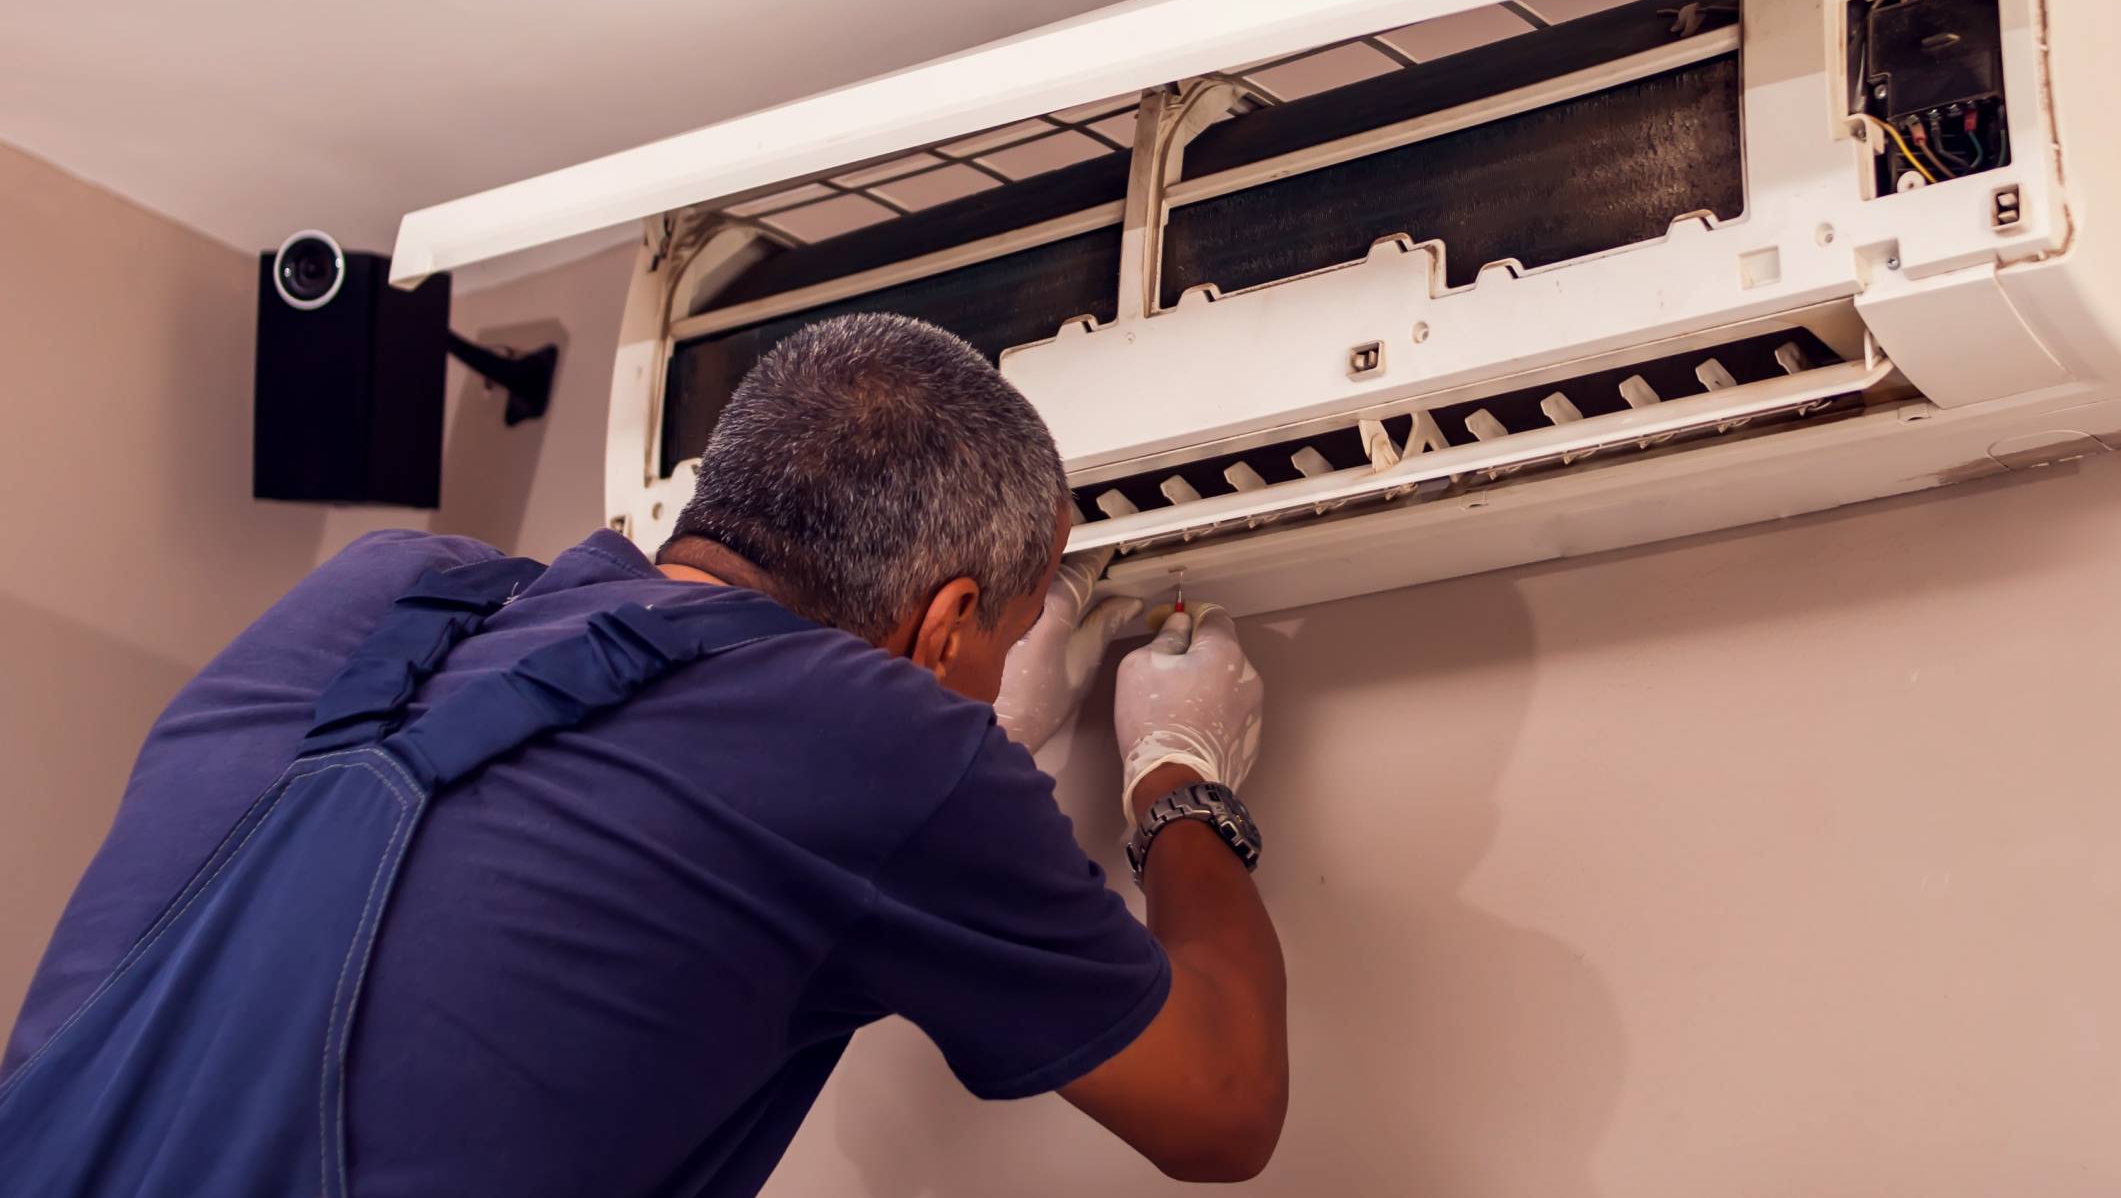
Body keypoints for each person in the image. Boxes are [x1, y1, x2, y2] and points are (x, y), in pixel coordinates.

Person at [0, 313, 1286, 1194]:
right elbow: (1220, 1101)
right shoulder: (885, 742)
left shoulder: (384, 595)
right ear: (946, 624)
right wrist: (1179, 771)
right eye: (1003, 631)